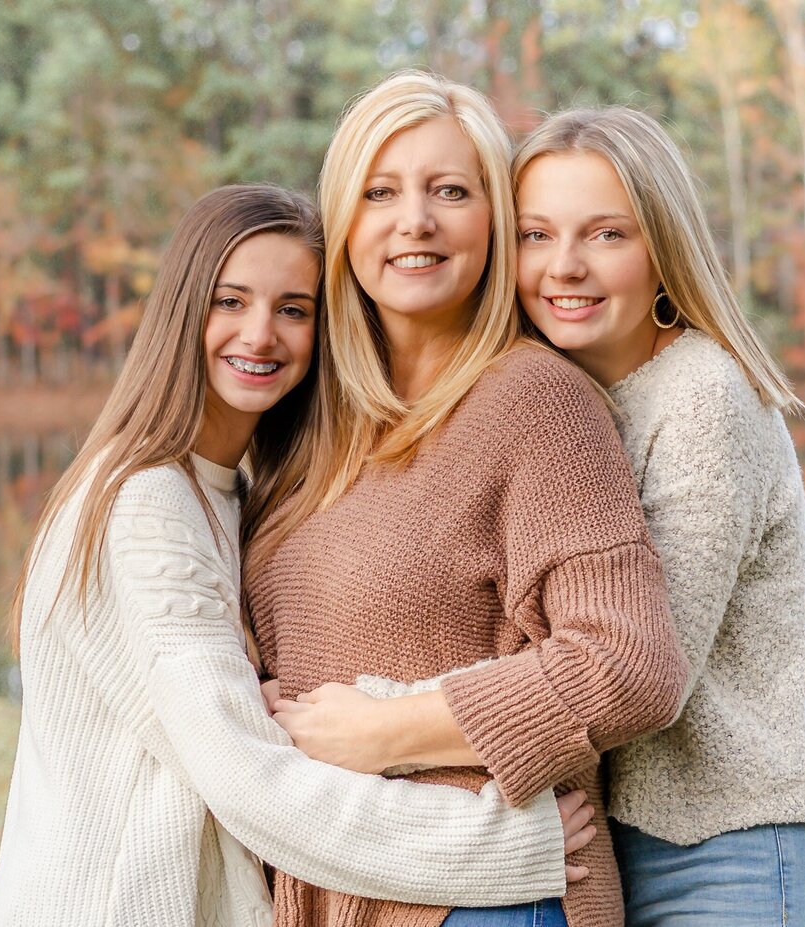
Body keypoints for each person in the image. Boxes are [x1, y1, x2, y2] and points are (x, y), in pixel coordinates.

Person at [0, 184, 599, 927]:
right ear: (183, 311)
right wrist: (496, 840)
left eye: (294, 309)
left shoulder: (224, 490)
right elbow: (246, 777)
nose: (261, 334)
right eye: (230, 301)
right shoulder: (147, 500)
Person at [245, 73, 687, 927]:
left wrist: (386, 731)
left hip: (488, 893)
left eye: (451, 190)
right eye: (382, 191)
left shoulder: (535, 402)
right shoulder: (308, 423)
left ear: (494, 221)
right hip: (345, 882)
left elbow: (627, 663)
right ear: (342, 220)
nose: (415, 220)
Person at [512, 107, 805, 926]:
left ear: (663, 248)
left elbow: (638, 671)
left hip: (735, 849)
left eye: (606, 235)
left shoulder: (704, 396)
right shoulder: (557, 397)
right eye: (535, 235)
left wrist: (388, 728)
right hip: (611, 846)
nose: (565, 267)